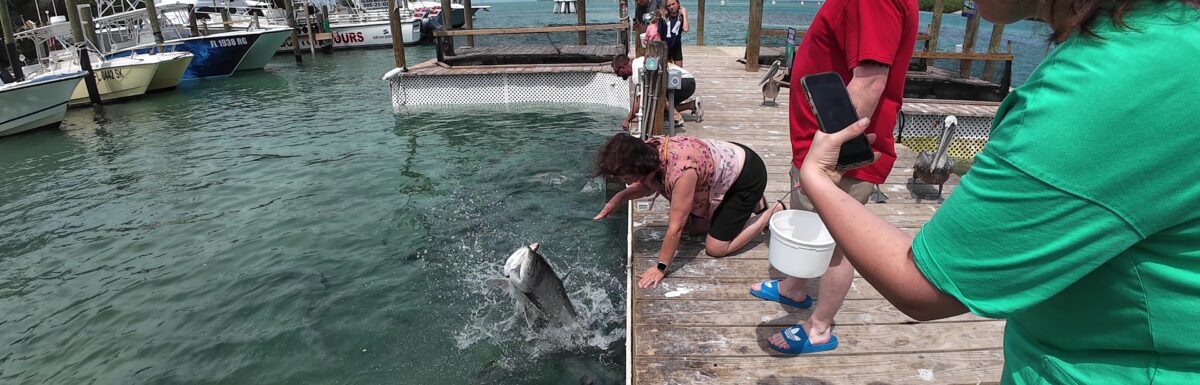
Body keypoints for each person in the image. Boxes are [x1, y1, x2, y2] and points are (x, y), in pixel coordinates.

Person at [776, 1, 1200, 383]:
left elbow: (926, 286)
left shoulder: (1105, 83)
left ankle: (818, 325)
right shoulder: (1169, 40)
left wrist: (816, 172)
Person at [748, 0, 918, 354]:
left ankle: (820, 327)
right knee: (813, 227)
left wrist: (827, 160)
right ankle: (795, 288)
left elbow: (870, 80)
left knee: (837, 245)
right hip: (820, 148)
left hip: (837, 158)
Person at [594, 133, 783, 288]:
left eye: (628, 177)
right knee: (697, 229)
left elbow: (675, 226)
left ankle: (771, 211)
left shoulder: (682, 171)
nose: (627, 183)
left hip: (747, 176)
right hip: (727, 160)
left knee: (716, 248)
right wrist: (618, 198)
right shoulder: (649, 152)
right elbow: (648, 184)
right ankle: (751, 202)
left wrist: (661, 268)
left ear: (640, 168)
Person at [611, 54, 701, 130]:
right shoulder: (640, 60)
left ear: (623, 67)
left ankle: (676, 118)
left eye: (617, 72)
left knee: (655, 103)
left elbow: (639, 102)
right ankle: (691, 105)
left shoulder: (637, 72)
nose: (618, 76)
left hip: (681, 82)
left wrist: (627, 120)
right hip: (688, 81)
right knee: (656, 108)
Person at [657, 0, 688, 67]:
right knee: (667, 69)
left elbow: (685, 29)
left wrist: (685, 14)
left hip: (676, 46)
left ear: (678, 4)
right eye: (669, 5)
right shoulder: (663, 17)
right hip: (665, 46)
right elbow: (659, 34)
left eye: (673, 4)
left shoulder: (681, 16)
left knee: (679, 70)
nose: (671, 7)